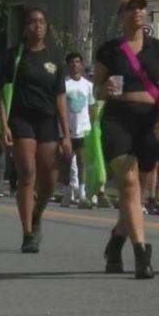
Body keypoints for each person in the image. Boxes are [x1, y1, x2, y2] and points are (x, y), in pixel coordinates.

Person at [93, 0, 159, 279]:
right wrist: (105, 90)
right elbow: (96, 88)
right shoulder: (109, 50)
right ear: (121, 15)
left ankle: (115, 243)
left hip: (150, 120)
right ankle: (142, 253)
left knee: (138, 192)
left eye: (141, 7)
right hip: (118, 119)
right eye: (130, 8)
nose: (137, 12)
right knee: (128, 185)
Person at [0, 6, 71, 253]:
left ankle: (38, 214)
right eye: (32, 22)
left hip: (47, 120)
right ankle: (28, 233)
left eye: (41, 21)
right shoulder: (14, 56)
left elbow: (60, 97)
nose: (37, 26)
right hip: (21, 119)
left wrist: (66, 133)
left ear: (46, 26)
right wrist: (4, 124)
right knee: (27, 173)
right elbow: (1, 94)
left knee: (49, 179)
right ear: (26, 27)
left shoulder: (54, 58)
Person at [60, 52, 95, 208]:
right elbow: (59, 108)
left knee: (82, 162)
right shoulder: (64, 84)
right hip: (67, 131)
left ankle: (82, 193)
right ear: (68, 65)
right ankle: (67, 192)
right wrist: (64, 128)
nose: (75, 65)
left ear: (81, 65)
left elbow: (91, 107)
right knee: (66, 163)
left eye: (77, 62)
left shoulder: (88, 85)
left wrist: (89, 125)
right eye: (72, 62)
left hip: (83, 130)